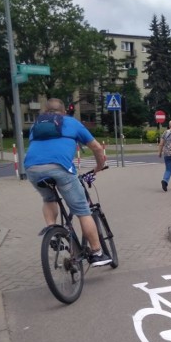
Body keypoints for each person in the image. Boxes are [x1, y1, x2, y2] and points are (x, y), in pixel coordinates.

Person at [24, 98, 111, 266]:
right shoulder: (71, 122)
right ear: (64, 111)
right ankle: (97, 253)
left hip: (32, 168)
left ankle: (53, 230)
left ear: (45, 111)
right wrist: (99, 166)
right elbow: (97, 148)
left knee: (49, 199)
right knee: (82, 211)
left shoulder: (36, 125)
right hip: (60, 167)